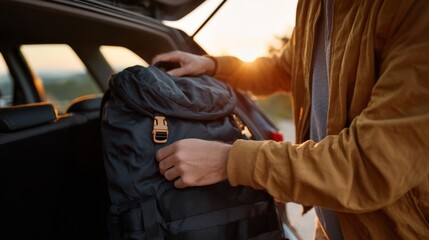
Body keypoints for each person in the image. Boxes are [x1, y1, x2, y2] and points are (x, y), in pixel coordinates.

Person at [152, 0, 429, 239]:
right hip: (331, 228)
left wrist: (228, 161)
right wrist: (215, 66)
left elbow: (370, 165)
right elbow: (287, 68)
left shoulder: (413, 10)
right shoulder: (315, 6)